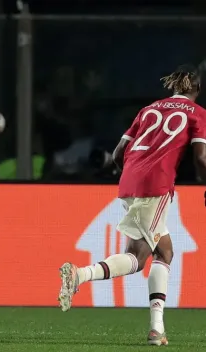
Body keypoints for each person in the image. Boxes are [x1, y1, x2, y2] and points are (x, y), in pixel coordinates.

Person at [57, 64, 206, 346]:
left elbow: (117, 154)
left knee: (165, 251)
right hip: (156, 185)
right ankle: (79, 275)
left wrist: (135, 172)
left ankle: (156, 330)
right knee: (137, 259)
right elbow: (201, 160)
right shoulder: (198, 114)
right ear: (196, 90)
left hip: (129, 181)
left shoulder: (148, 109)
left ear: (173, 87)